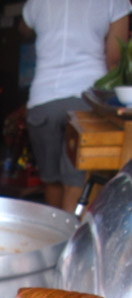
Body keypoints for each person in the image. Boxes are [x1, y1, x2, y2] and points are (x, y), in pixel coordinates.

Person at [20, 0, 131, 213]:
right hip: (85, 100)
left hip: (42, 100)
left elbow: (24, 27)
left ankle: (57, 243)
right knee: (75, 182)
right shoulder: (115, 2)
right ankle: (70, 244)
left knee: (51, 181)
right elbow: (114, 60)